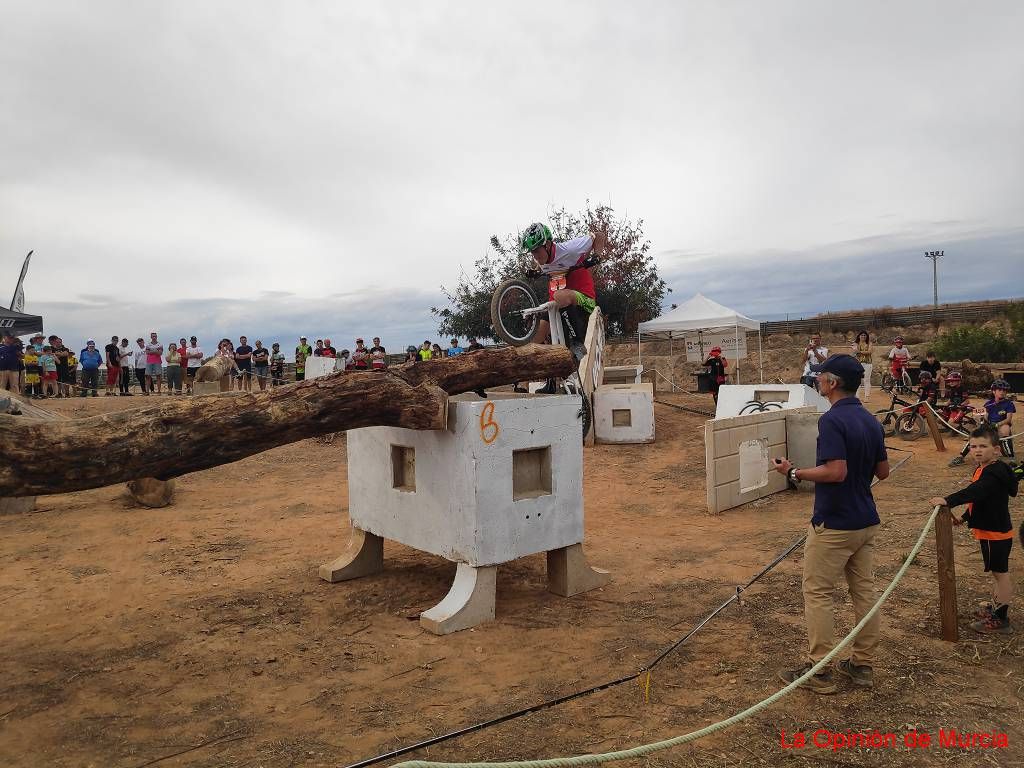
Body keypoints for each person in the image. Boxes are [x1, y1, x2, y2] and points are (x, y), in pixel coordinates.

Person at [773, 354, 889, 693]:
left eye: (821, 376)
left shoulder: (832, 421)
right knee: (863, 592)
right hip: (865, 519)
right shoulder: (870, 420)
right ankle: (862, 665)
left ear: (833, 383)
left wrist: (793, 472)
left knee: (819, 592)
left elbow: (835, 472)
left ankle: (819, 671)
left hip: (835, 523)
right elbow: (882, 472)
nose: (817, 380)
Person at [930, 424, 1018, 634]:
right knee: (997, 574)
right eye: (973, 446)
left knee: (1001, 575)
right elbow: (983, 500)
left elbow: (976, 492)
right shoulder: (986, 469)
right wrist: (964, 516)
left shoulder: (993, 473)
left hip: (995, 533)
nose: (977, 450)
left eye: (983, 446)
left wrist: (947, 500)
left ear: (996, 449)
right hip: (991, 530)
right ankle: (997, 606)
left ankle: (1001, 618)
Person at [519, 222, 605, 353]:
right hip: (557, 305)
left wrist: (597, 255)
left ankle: (578, 344)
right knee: (533, 342)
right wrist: (535, 271)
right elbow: (543, 265)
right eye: (532, 252)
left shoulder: (570, 249)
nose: (535, 256)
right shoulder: (540, 259)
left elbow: (599, 236)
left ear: (547, 245)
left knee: (559, 295)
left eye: (536, 251)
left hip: (583, 301)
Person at [951, 379, 1016, 466]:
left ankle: (1011, 458)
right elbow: (985, 416)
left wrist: (997, 424)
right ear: (994, 391)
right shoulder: (989, 403)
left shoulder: (1009, 404)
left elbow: (1008, 419)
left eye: (1004, 390)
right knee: (975, 434)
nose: (1002, 392)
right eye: (1000, 390)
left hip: (1001, 424)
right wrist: (982, 419)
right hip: (989, 425)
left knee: (1005, 429)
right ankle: (961, 456)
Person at [850, 331, 873, 399]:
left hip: (868, 363)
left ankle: (867, 396)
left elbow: (869, 352)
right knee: (857, 380)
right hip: (858, 363)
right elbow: (854, 353)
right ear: (859, 336)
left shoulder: (869, 343)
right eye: (862, 335)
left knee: (866, 379)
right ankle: (857, 397)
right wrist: (857, 351)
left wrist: (859, 352)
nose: (863, 336)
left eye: (864, 335)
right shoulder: (856, 344)